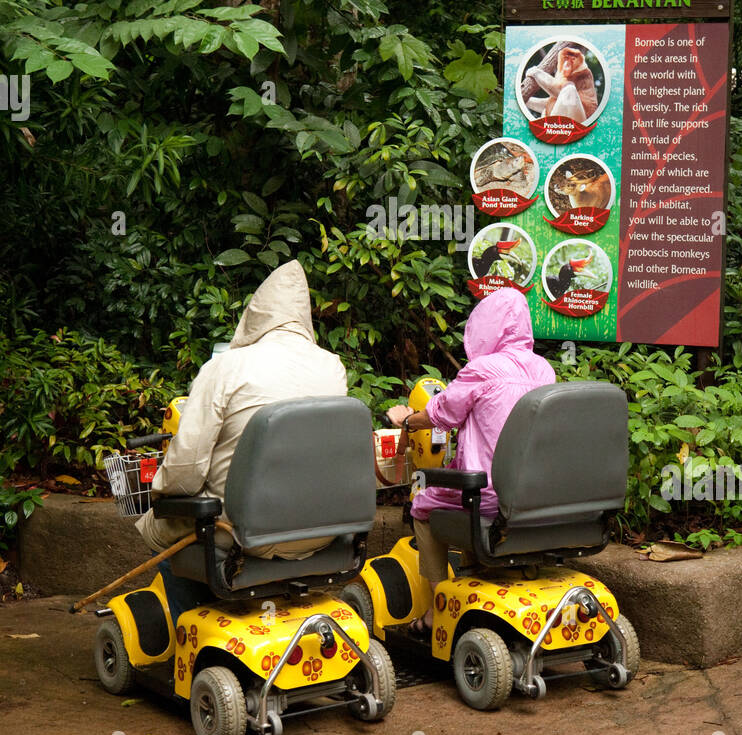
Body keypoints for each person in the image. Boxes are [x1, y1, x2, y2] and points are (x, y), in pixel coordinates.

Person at [136, 260, 347, 615]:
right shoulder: (333, 366)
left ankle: (191, 626)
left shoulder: (225, 368)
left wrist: (162, 496)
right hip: (323, 532)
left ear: (256, 314)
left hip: (242, 535)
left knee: (158, 525)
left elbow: (185, 468)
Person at [387, 288, 555, 635]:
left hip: (488, 496)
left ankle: (438, 609)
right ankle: (483, 582)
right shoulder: (544, 370)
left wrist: (406, 420)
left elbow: (441, 413)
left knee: (423, 505)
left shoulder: (482, 369)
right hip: (535, 498)